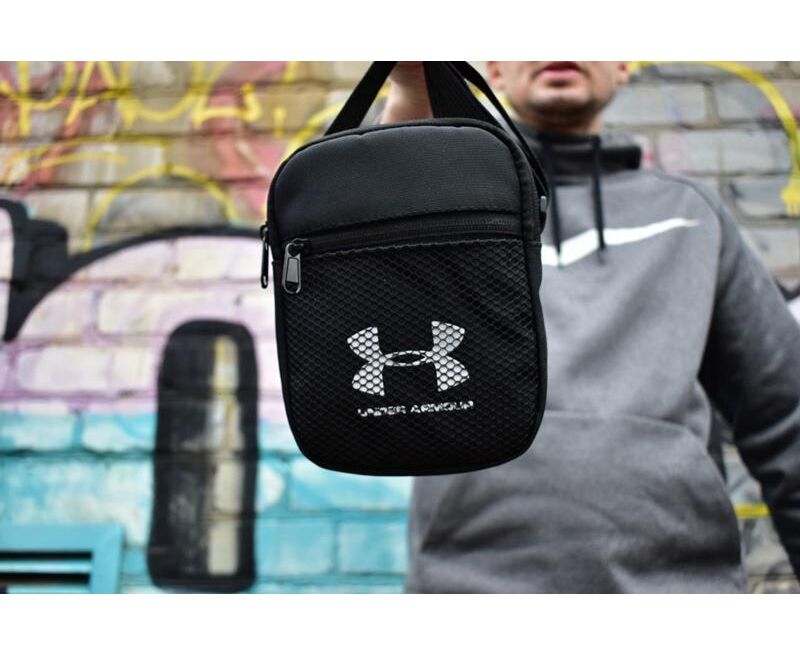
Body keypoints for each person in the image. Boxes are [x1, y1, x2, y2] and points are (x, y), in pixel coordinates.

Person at [380, 61, 800, 592]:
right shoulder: (448, 209)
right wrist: (410, 92)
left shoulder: (691, 214)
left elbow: (786, 418)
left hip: (676, 591)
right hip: (467, 588)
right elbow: (369, 215)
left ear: (622, 67)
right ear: (495, 72)